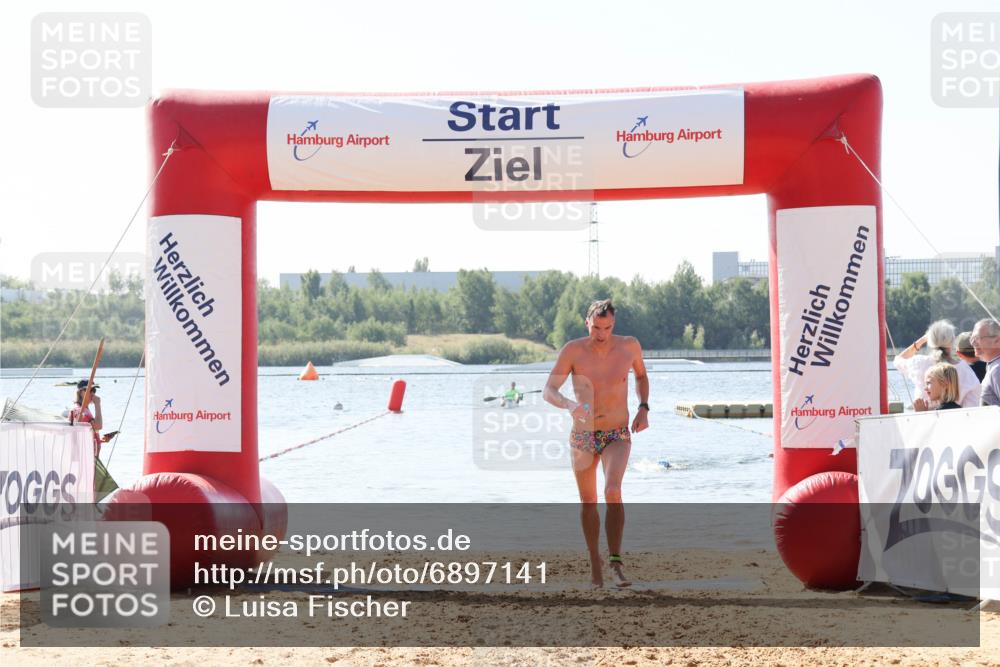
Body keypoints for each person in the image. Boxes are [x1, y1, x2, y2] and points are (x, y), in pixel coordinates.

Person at [544, 299, 649, 589]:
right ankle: (595, 563)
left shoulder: (629, 346)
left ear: (613, 325)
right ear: (586, 323)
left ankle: (616, 563)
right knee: (588, 501)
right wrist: (568, 404)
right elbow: (548, 390)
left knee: (613, 490)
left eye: (608, 327)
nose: (602, 333)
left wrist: (643, 407)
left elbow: (641, 375)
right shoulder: (573, 350)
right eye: (596, 327)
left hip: (617, 432)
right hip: (583, 435)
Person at [893, 320, 981, 409]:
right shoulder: (965, 369)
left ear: (930, 341)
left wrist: (922, 340)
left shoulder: (919, 363)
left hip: (922, 418)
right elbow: (972, 405)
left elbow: (897, 360)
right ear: (953, 341)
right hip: (954, 419)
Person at [66, 379, 114, 456]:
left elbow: (84, 435)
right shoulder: (79, 411)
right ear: (81, 392)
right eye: (90, 390)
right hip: (85, 458)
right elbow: (98, 426)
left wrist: (101, 440)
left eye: (94, 390)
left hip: (89, 456)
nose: (93, 393)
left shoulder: (84, 409)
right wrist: (97, 404)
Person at [972, 318, 1000, 406]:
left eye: (977, 338)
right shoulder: (994, 366)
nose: (973, 343)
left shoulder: (997, 369)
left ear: (997, 340)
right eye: (972, 338)